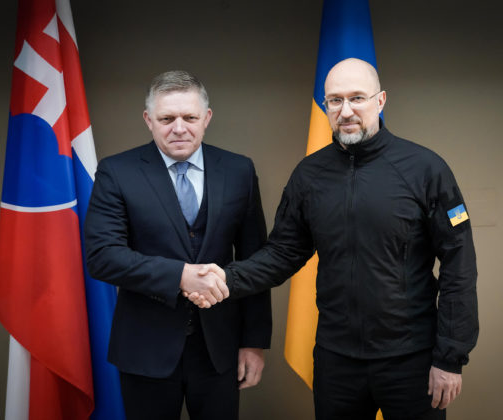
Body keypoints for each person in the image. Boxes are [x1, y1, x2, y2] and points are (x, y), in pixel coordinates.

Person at [188, 58, 478, 420]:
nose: (346, 111)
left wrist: (450, 357)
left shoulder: (425, 169)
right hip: (336, 360)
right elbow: (282, 253)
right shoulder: (309, 175)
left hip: (411, 358)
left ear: (380, 101)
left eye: (357, 98)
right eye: (335, 100)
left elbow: (459, 266)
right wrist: (226, 278)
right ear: (325, 105)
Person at [84, 70, 272, 420]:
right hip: (144, 349)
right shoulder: (116, 172)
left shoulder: (239, 170)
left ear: (207, 118)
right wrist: (180, 276)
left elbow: (255, 259)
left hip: (220, 350)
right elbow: (103, 257)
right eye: (167, 119)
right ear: (148, 120)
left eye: (190, 117)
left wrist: (253, 342)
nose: (179, 128)